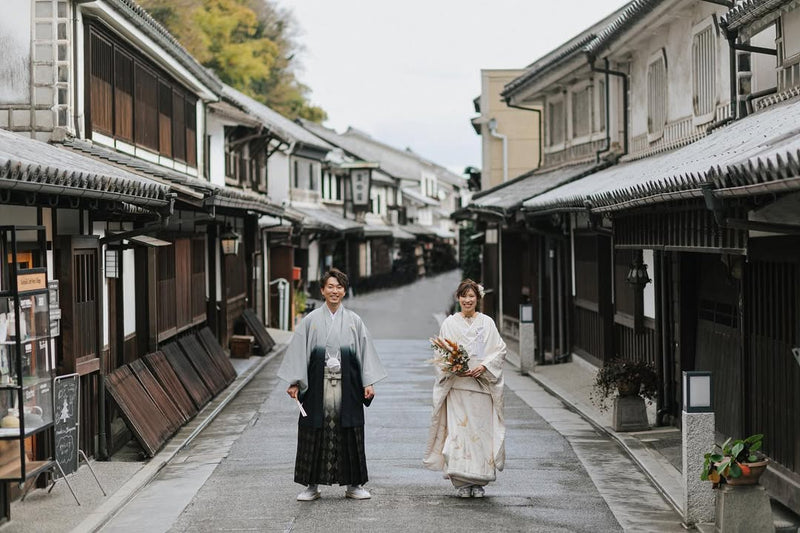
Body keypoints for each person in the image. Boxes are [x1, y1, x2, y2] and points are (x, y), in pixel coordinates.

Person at [278, 268, 387, 501]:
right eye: (330, 286)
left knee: (350, 431)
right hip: (317, 385)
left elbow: (364, 353)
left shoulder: (354, 321)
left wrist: (368, 382)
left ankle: (354, 485)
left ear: (344, 291)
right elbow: (299, 352)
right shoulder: (311, 321)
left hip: (348, 386)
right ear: (322, 290)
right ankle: (311, 486)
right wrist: (295, 382)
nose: (334, 291)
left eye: (338, 287)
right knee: (314, 430)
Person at [423, 278, 507, 498]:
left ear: (478, 298)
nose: (468, 300)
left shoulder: (487, 323)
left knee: (480, 434)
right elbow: (441, 353)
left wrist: (484, 366)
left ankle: (478, 482)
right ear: (458, 298)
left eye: (472, 296)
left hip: (481, 387)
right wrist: (454, 367)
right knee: (459, 434)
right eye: (464, 296)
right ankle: (461, 482)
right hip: (458, 387)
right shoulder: (450, 324)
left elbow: (499, 350)